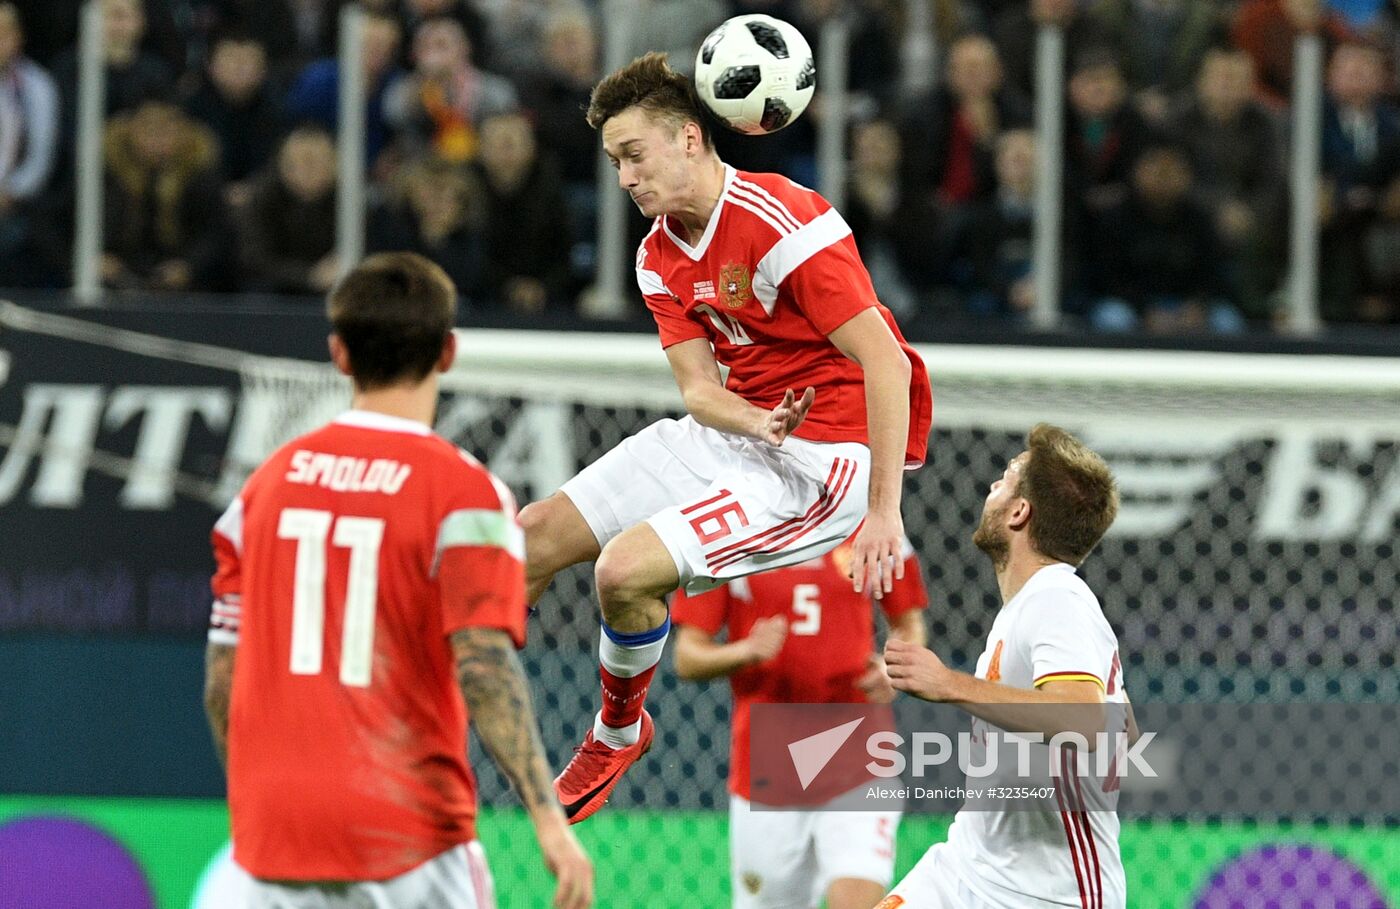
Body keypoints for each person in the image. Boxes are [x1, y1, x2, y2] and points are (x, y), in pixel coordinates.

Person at [519, 52, 934, 825]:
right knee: (528, 539)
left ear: (688, 137)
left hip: (824, 459)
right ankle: (434, 711)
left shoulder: (784, 221)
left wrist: (884, 512)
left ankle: (617, 732)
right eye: (613, 163)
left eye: (634, 155)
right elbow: (699, 392)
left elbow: (887, 360)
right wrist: (754, 420)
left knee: (623, 571)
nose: (625, 179)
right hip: (744, 430)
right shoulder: (655, 256)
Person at [202, 252, 592, 908]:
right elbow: (483, 666)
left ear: (339, 355)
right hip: (408, 833)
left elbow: (222, 679)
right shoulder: (466, 494)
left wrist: (262, 800)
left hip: (273, 836)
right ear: (448, 352)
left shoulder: (261, 490)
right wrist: (548, 820)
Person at [879, 423, 1130, 909]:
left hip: (1043, 894)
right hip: (970, 864)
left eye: (1008, 476)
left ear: (1019, 512)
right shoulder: (1032, 604)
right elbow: (1120, 729)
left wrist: (948, 683)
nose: (994, 484)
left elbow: (1082, 720)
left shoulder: (1058, 597)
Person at [672, 535, 930, 909]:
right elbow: (687, 655)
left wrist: (895, 668)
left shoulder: (874, 527)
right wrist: (746, 650)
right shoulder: (728, 536)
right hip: (767, 767)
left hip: (858, 753)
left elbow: (908, 622)